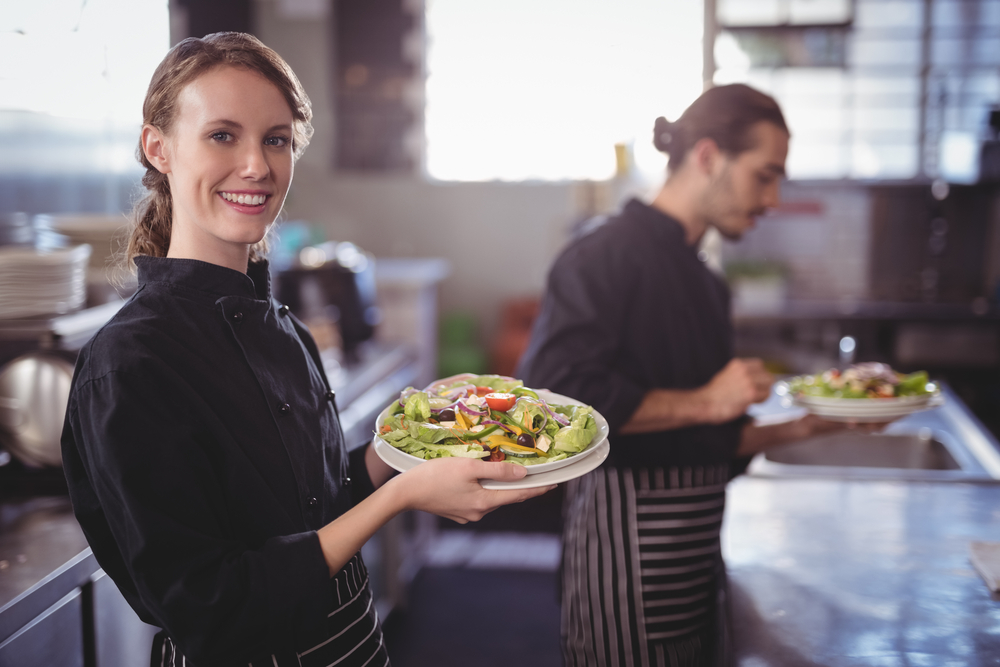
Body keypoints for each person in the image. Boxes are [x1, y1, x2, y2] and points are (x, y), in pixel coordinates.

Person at [61, 32, 553, 667]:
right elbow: (211, 605)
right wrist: (400, 497)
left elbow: (313, 506)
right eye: (222, 135)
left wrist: (404, 444)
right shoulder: (129, 364)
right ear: (158, 148)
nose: (257, 166)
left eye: (276, 139)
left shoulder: (281, 325)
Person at [517, 84, 841, 667]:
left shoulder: (707, 283)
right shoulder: (601, 257)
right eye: (764, 176)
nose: (772, 199)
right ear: (709, 156)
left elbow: (713, 439)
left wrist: (811, 425)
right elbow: (554, 401)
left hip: (695, 567)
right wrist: (706, 401)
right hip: (622, 570)